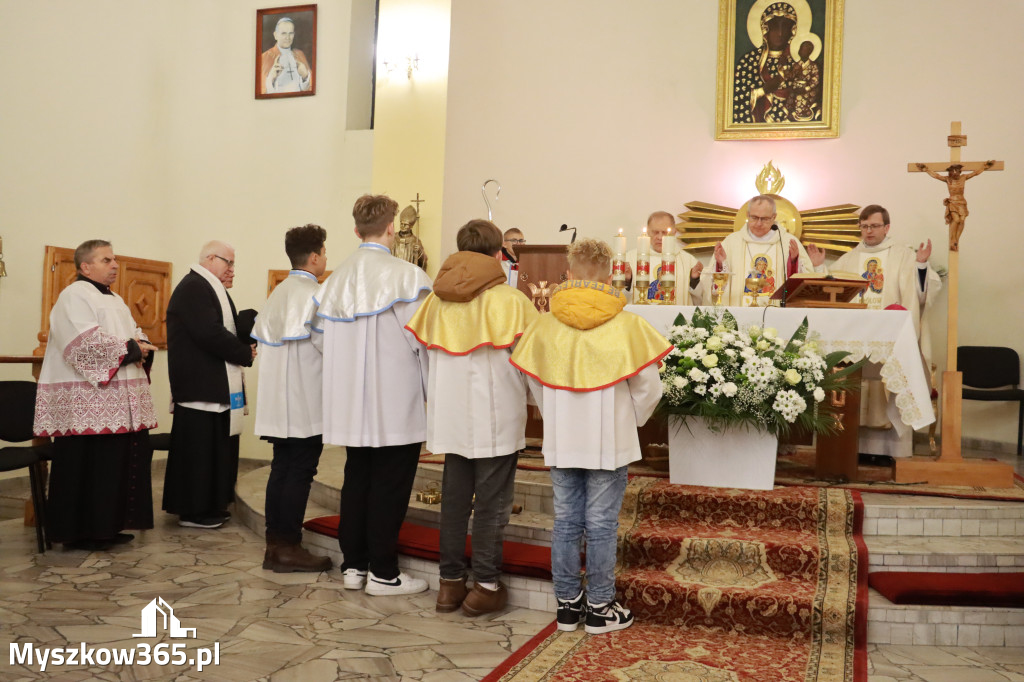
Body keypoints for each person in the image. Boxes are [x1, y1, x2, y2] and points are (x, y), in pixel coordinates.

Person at [510, 238, 670, 635]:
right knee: (600, 525)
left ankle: (567, 607)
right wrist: (626, 421)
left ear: (569, 273)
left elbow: (535, 380)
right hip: (608, 441)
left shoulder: (545, 323)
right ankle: (600, 607)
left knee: (565, 521)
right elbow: (650, 387)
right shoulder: (627, 324)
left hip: (563, 438)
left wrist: (556, 417)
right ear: (610, 274)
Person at [405, 219, 539, 616]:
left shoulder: (436, 300)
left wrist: (438, 405)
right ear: (501, 253)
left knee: (455, 501)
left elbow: (425, 360)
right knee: (493, 505)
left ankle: (449, 585)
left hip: (449, 415)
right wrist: (537, 407)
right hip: (495, 417)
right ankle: (484, 585)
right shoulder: (510, 301)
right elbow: (531, 363)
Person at [315, 194, 432, 596]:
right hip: (394, 397)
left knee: (357, 478)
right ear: (390, 228)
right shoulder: (406, 276)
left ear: (354, 230)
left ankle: (354, 566)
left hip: (351, 400)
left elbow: (322, 340)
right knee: (390, 484)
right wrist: (433, 390)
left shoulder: (335, 280)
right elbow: (423, 340)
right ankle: (384, 573)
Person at [33, 240, 158, 551]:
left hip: (115, 405)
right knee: (88, 466)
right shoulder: (73, 296)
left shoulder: (115, 299)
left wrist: (141, 345)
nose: (115, 265)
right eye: (106, 260)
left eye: (114, 259)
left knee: (112, 466)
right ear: (85, 267)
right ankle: (80, 532)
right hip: (86, 405)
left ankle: (107, 527)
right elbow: (82, 344)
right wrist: (132, 348)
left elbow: (133, 332)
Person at [829, 205, 941, 459]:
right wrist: (817, 268)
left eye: (875, 226)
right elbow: (827, 289)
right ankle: (854, 449)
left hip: (892, 338)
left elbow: (923, 292)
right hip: (855, 337)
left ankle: (890, 450)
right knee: (852, 383)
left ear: (887, 227)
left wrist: (921, 266)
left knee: (892, 384)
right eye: (865, 226)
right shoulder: (847, 259)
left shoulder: (902, 255)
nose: (869, 231)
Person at [251, 224, 332, 573]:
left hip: (279, 403)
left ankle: (275, 546)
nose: (325, 258)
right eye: (324, 253)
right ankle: (289, 547)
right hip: (304, 401)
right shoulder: (315, 294)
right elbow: (329, 345)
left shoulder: (279, 293)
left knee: (282, 469)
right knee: (299, 471)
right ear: (314, 257)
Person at [163, 241, 257, 529]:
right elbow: (209, 334)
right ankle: (193, 510)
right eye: (227, 262)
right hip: (199, 387)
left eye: (232, 264)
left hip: (212, 386)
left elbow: (221, 330)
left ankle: (210, 505)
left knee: (213, 450)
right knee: (199, 453)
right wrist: (244, 353)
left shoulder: (209, 289)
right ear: (209, 259)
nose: (231, 270)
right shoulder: (194, 287)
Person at [707, 194, 825, 306]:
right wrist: (721, 264)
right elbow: (713, 286)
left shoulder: (788, 242)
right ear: (748, 215)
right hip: (739, 311)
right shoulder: (731, 241)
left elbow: (803, 285)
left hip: (777, 314)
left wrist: (793, 262)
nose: (758, 223)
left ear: (774, 217)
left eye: (764, 219)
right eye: (754, 217)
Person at [733, 2, 799, 124]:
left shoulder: (796, 64)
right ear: (765, 29)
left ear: (792, 31)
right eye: (775, 27)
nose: (780, 33)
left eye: (785, 27)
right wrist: (763, 90)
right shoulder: (748, 62)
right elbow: (738, 101)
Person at [624, 211, 703, 305]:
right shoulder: (630, 259)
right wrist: (627, 281)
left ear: (674, 232)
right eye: (655, 232)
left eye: (665, 232)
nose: (660, 237)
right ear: (648, 231)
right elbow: (618, 298)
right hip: (640, 318)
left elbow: (699, 300)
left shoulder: (688, 261)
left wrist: (694, 281)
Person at [260, 17, 312, 94]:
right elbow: (261, 91)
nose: (287, 37)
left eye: (290, 33)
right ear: (275, 35)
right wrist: (271, 78)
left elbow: (311, 88)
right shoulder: (264, 57)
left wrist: (305, 76)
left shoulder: (300, 54)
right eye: (283, 33)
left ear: (294, 35)